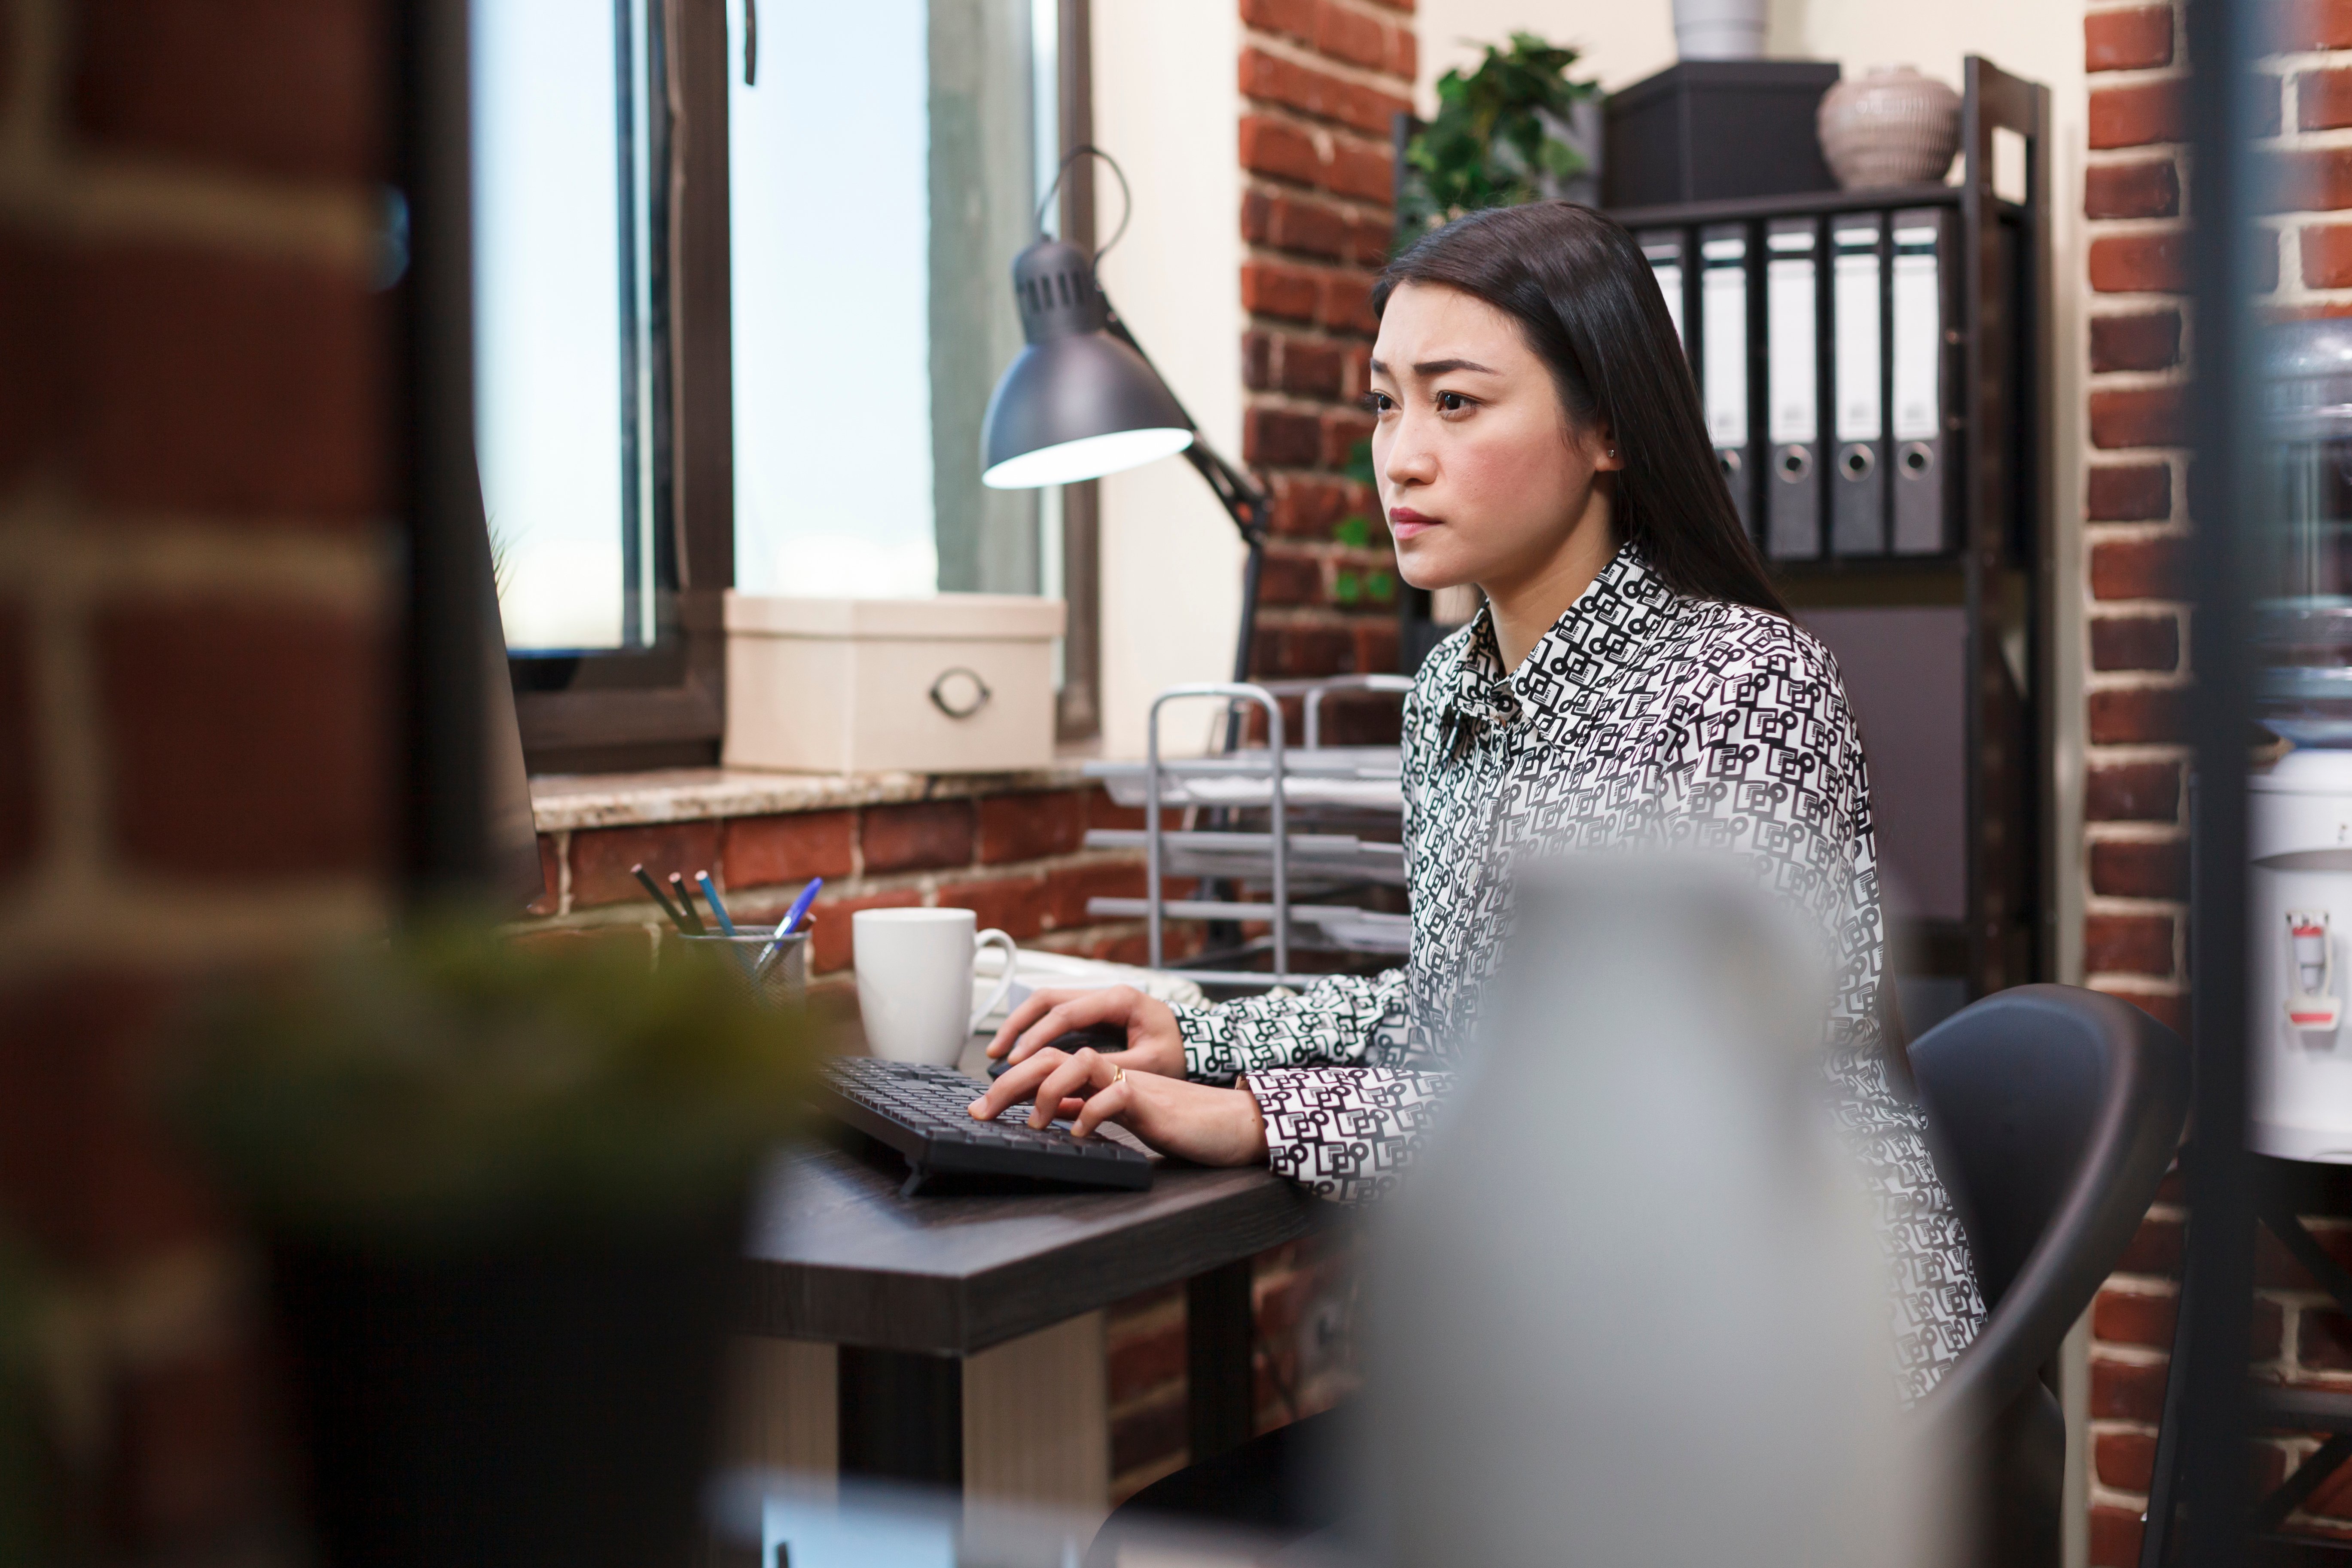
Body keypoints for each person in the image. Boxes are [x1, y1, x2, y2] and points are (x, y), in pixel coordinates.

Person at [968, 201, 1986, 1529]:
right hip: (1576, 1353)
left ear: (1607, 428)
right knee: (1158, 1528)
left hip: (1763, 1377)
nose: (1402, 456)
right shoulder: (1454, 685)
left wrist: (1269, 1115)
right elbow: (1465, 1016)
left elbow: (1648, 1115)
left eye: (1457, 403)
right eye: (1386, 404)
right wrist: (1202, 1035)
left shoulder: (1741, 683)